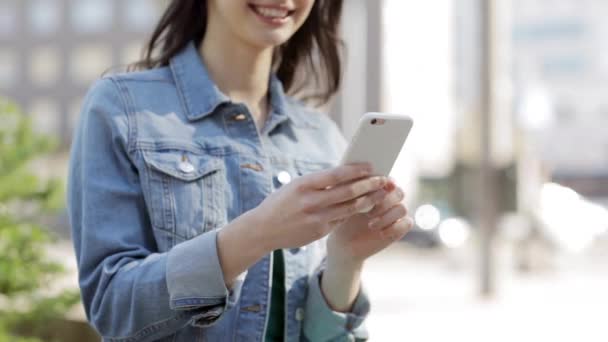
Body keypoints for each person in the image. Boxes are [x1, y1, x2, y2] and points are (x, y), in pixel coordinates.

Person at [67, 1, 413, 341]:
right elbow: (110, 307)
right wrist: (256, 234)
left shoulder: (320, 137)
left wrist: (346, 259)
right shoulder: (122, 109)